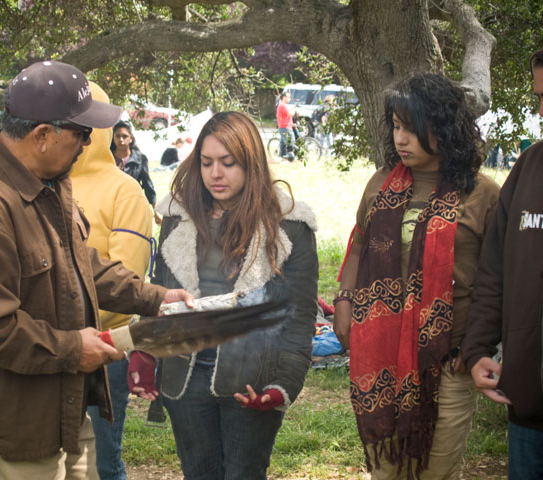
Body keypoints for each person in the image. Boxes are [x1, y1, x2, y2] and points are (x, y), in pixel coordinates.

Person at [0, 60, 193, 480]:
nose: (89, 144)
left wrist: (154, 298)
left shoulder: (47, 183)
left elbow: (80, 264)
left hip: (62, 415)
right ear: (43, 135)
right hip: (13, 431)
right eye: (82, 134)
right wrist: (72, 348)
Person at [130, 111, 319, 479]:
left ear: (251, 163)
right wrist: (143, 349)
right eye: (206, 162)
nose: (216, 174)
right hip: (185, 379)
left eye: (228, 163)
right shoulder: (177, 218)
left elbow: (299, 319)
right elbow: (161, 296)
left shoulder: (291, 226)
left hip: (251, 380)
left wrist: (284, 385)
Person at [333, 72, 500, 479]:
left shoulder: (482, 194)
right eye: (395, 126)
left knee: (437, 471)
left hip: (448, 360)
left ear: (443, 128)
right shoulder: (380, 186)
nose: (400, 139)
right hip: (383, 356)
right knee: (387, 471)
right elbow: (359, 245)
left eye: (412, 128)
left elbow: (497, 278)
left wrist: (476, 346)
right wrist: (343, 302)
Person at [462, 47, 543, 478]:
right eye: (540, 97)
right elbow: (494, 271)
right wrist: (477, 350)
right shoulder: (528, 168)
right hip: (527, 409)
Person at [70, 81, 154, 480]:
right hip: (46, 349)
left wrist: (70, 330)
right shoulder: (40, 185)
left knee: (102, 463)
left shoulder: (126, 190)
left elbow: (126, 281)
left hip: (104, 349)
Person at [110, 120, 162, 224]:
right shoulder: (107, 157)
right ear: (113, 137)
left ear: (131, 139)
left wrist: (156, 211)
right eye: (117, 136)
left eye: (124, 136)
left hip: (132, 207)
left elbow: (148, 186)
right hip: (110, 206)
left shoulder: (140, 159)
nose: (121, 140)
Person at [276, 91, 296, 161]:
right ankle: (289, 156)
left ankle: (281, 156)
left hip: (283, 126)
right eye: (288, 97)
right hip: (285, 127)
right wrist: (294, 109)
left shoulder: (282, 105)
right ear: (284, 98)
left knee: (283, 143)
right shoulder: (282, 105)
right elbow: (290, 114)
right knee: (290, 140)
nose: (289, 99)